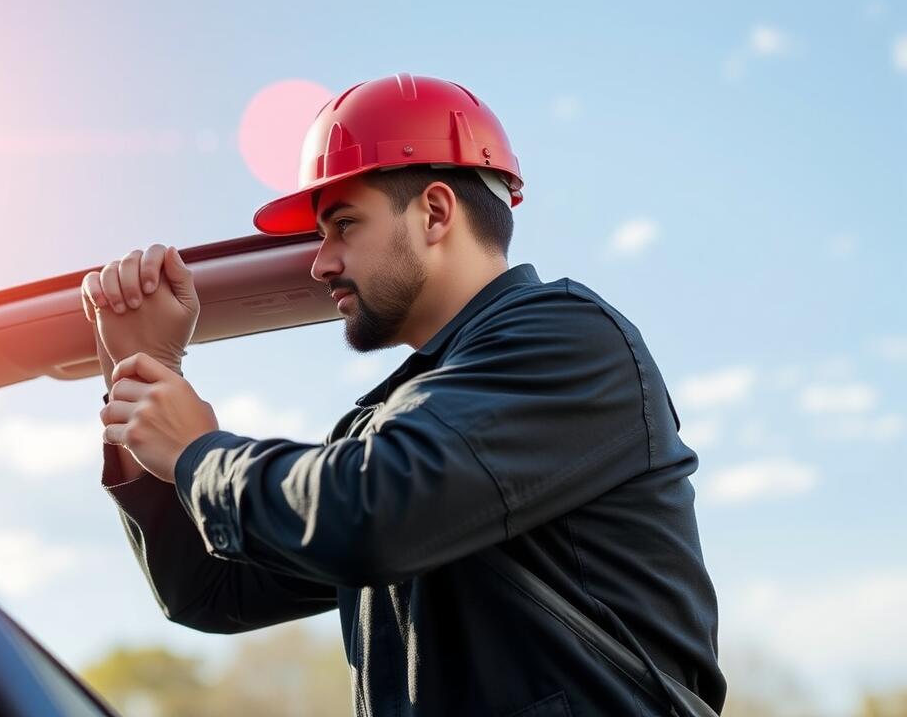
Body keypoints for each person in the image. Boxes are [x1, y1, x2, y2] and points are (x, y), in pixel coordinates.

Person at [81, 73, 726, 715]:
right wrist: (144, 370)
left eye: (343, 224)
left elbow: (369, 511)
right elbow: (212, 591)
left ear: (436, 213)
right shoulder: (387, 430)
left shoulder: (570, 339)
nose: (320, 261)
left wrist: (198, 450)